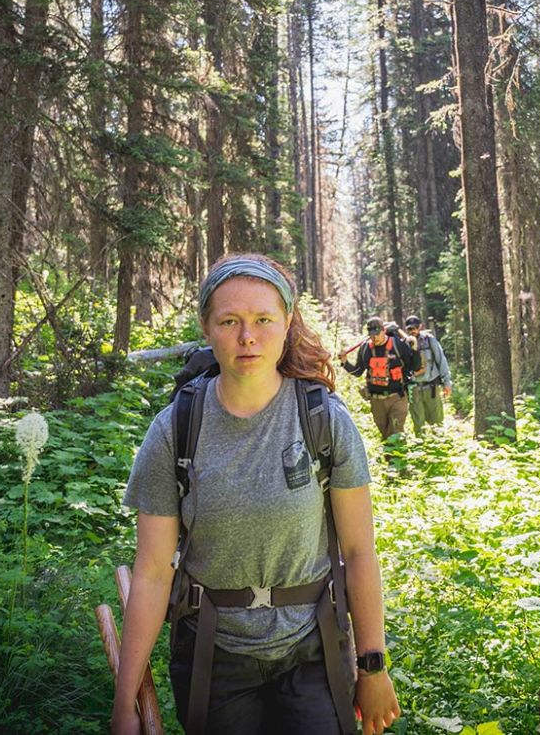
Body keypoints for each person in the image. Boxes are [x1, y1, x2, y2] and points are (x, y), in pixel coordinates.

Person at [113, 254, 401, 735]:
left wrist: (372, 666)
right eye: (230, 321)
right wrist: (124, 704)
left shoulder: (323, 420)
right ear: (207, 328)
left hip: (312, 649)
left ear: (287, 323)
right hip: (213, 655)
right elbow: (150, 571)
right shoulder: (175, 430)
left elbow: (358, 551)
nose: (248, 336)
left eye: (263, 320)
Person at [341, 317, 421, 440]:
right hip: (376, 400)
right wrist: (345, 362)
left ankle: (400, 456)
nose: (375, 338)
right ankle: (391, 459)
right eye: (372, 335)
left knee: (396, 433)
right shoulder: (365, 349)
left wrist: (415, 350)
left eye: (377, 334)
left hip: (397, 398)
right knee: (385, 436)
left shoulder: (398, 344)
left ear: (384, 330)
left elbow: (415, 366)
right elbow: (358, 371)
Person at [403, 316, 452, 434]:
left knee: (437, 421)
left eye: (415, 327)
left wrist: (447, 382)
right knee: (418, 424)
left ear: (420, 327)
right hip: (414, 389)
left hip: (432, 387)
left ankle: (440, 447)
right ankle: (421, 447)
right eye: (410, 329)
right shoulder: (405, 344)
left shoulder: (430, 341)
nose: (413, 331)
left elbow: (441, 360)